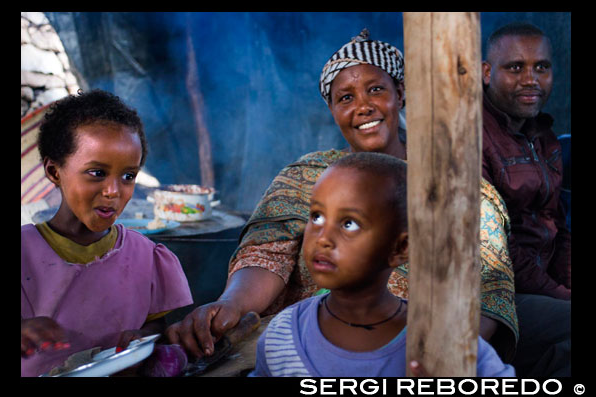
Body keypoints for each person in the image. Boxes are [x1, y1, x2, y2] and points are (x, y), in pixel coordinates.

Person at [167, 29, 518, 364]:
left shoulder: (462, 191)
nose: (363, 106)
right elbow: (266, 253)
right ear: (333, 111)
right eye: (346, 98)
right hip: (304, 346)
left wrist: (438, 359)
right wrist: (232, 305)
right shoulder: (305, 176)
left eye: (376, 90)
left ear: (401, 93)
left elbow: (488, 294)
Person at [250, 152, 515, 377]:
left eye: (349, 224)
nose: (323, 238)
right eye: (317, 217)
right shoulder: (283, 335)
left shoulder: (443, 344)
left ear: (401, 249)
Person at [21, 89, 193, 377]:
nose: (113, 191)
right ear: (54, 171)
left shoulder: (146, 257)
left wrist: (142, 336)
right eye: (97, 173)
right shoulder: (24, 253)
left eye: (128, 176)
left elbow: (155, 326)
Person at [481, 22, 570, 376]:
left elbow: (559, 227)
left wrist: (566, 285)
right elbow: (499, 248)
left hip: (543, 285)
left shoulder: (544, 135)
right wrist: (562, 296)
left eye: (541, 68)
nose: (530, 79)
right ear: (487, 72)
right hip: (497, 296)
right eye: (515, 67)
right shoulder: (472, 134)